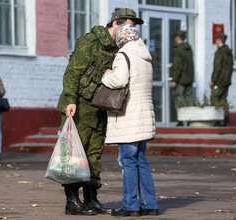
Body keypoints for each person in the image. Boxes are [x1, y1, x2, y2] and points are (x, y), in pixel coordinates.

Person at [57, 8, 144, 216]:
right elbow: (72, 73)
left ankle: (91, 199)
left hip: (98, 109)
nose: (130, 30)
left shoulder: (119, 48)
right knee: (74, 155)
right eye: (128, 25)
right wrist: (70, 100)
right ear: (115, 24)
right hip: (78, 108)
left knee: (94, 155)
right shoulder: (90, 42)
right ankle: (72, 200)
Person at [101, 24, 159, 217]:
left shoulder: (123, 55)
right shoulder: (145, 57)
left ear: (122, 39)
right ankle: (150, 204)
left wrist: (106, 75)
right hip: (144, 115)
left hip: (129, 116)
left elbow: (119, 81)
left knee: (128, 161)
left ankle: (130, 206)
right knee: (141, 160)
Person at [170, 30, 194, 126]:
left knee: (178, 99)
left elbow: (179, 66)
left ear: (178, 38)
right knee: (188, 100)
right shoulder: (188, 48)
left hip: (180, 79)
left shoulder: (178, 49)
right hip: (189, 79)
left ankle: (180, 121)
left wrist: (174, 79)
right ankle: (189, 120)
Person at [209, 33, 233, 126]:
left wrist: (213, 80)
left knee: (214, 97)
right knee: (223, 99)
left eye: (216, 40)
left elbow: (217, 68)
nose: (215, 42)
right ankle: (226, 121)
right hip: (226, 81)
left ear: (219, 40)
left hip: (219, 81)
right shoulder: (229, 53)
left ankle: (219, 120)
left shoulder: (220, 52)